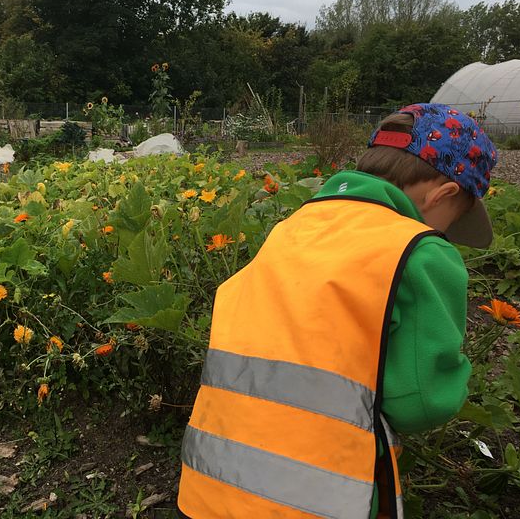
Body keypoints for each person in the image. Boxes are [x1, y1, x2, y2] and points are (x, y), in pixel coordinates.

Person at [176, 103, 497, 519]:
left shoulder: (292, 228)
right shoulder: (420, 250)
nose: (446, 234)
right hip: (314, 499)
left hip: (208, 486)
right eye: (452, 223)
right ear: (443, 195)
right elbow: (422, 402)